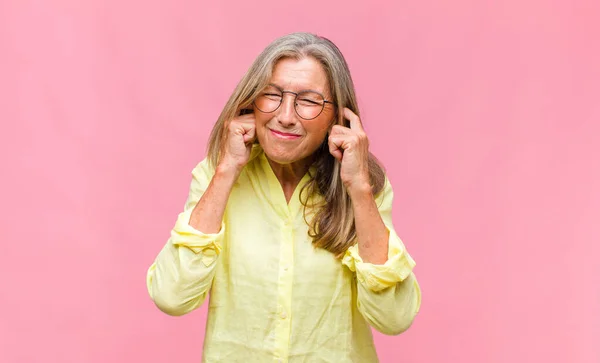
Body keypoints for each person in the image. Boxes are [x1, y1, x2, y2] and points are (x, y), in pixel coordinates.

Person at [146, 32, 421, 362]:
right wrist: (227, 169)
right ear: (251, 103)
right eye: (272, 95)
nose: (286, 115)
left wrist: (359, 189)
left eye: (308, 100)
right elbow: (172, 296)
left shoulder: (362, 186)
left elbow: (394, 318)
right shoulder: (216, 176)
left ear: (338, 117)